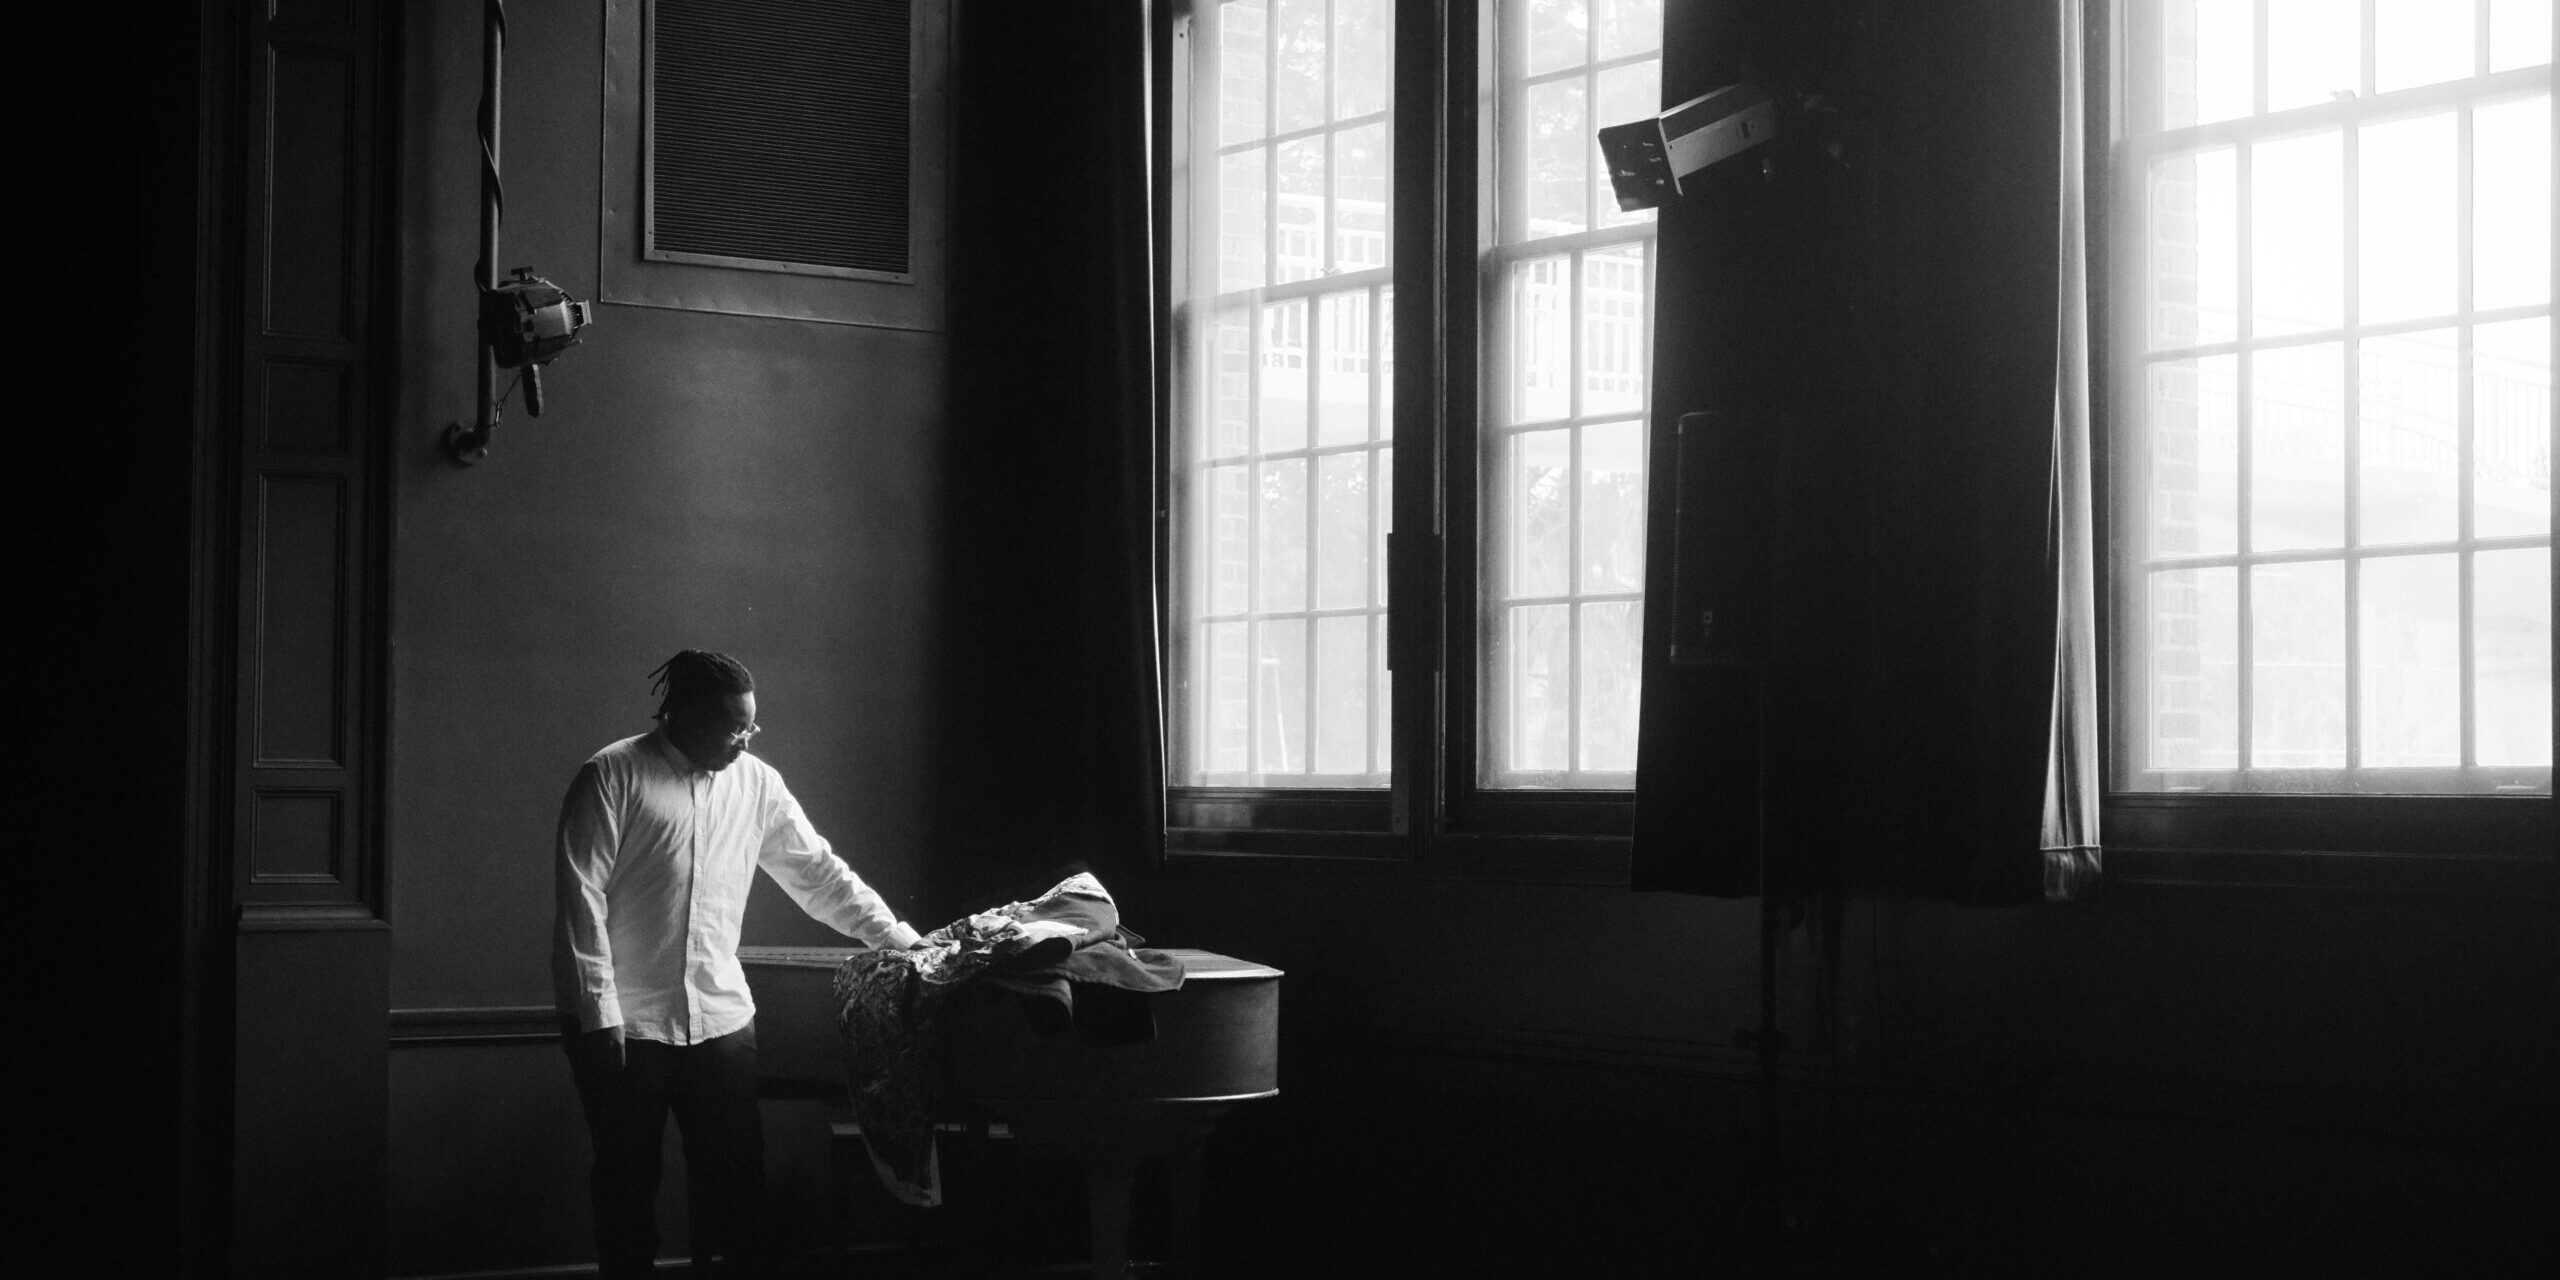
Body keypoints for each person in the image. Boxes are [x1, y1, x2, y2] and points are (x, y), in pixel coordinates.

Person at [552, 650, 924, 1278]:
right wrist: (598, 1013)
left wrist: (899, 940)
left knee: (739, 1192)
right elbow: (579, 901)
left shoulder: (758, 784)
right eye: (732, 728)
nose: (744, 741)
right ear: (681, 713)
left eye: (750, 728)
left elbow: (820, 875)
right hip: (624, 1026)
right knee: (626, 1189)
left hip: (721, 1021)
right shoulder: (612, 775)